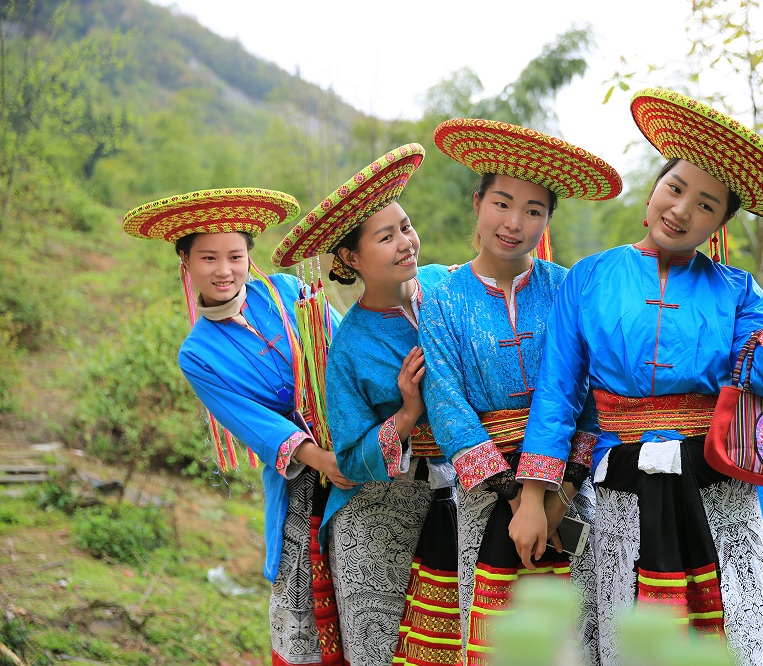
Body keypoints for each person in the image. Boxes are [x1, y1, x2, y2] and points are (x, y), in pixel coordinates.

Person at [508, 88, 763, 666]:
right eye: (675, 189)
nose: (681, 210)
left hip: (717, 486)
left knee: (731, 637)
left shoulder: (737, 290)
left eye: (705, 204)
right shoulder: (590, 278)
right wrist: (534, 494)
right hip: (622, 484)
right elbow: (558, 393)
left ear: (720, 223)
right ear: (653, 192)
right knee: (632, 639)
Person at [122, 188, 354, 665]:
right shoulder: (199, 354)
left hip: (361, 441)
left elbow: (347, 347)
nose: (224, 270)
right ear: (185, 261)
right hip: (307, 475)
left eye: (235, 255)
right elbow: (258, 425)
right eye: (208, 257)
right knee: (314, 610)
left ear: (250, 255)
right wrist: (324, 461)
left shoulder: (289, 292)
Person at [420, 119, 623, 665]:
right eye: (502, 203)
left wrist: (559, 496)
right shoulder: (441, 298)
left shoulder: (566, 288)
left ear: (548, 220)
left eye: (534, 210)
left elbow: (589, 396)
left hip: (569, 488)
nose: (514, 223)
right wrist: (516, 497)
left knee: (571, 638)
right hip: (486, 491)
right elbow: (446, 405)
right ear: (478, 200)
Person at [273, 143, 462, 666]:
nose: (406, 242)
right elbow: (352, 459)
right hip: (378, 516)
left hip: (461, 497)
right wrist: (405, 413)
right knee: (380, 648)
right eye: (386, 236)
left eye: (405, 226)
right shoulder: (351, 345)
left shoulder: (448, 288)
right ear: (351, 259)